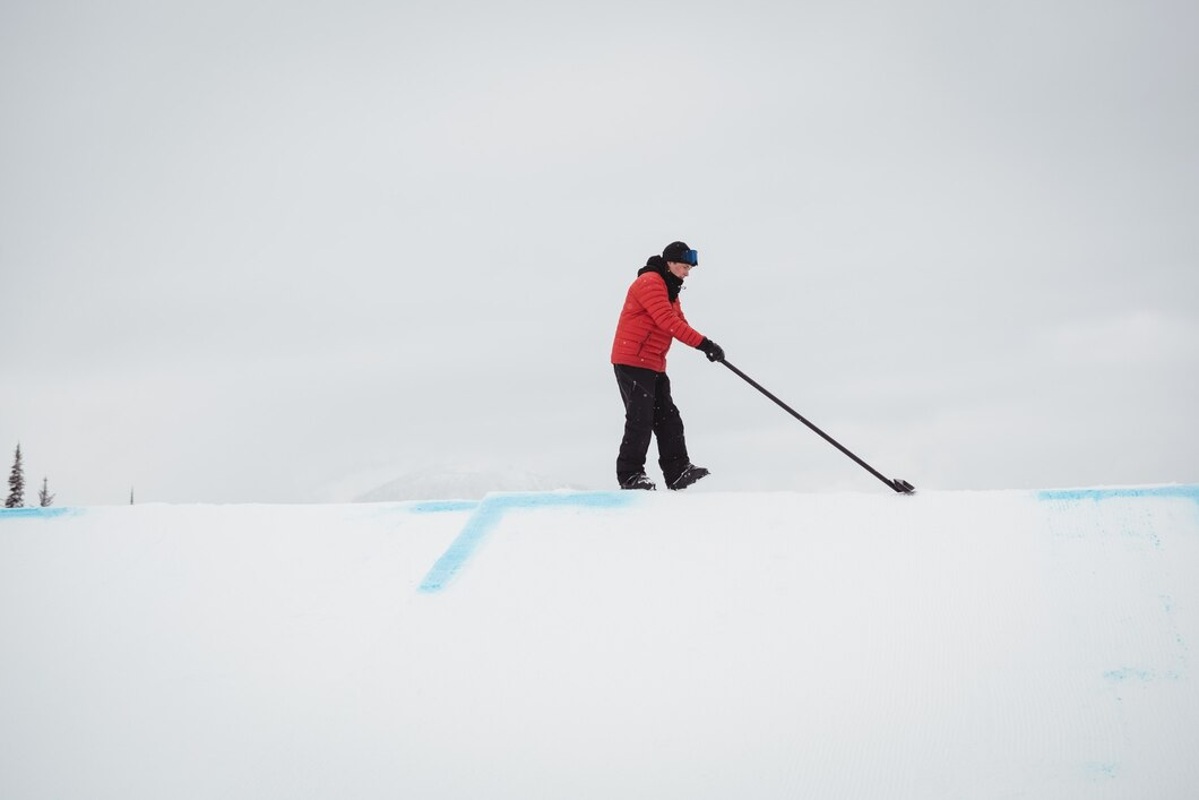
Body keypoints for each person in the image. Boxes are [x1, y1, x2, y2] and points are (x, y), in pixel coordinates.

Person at [610, 240, 725, 491]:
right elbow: (667, 322)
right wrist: (704, 344)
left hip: (653, 363)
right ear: (670, 263)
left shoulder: (669, 288)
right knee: (640, 418)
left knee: (668, 417)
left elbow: (679, 321)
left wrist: (708, 347)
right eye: (684, 267)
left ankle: (677, 471)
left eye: (688, 269)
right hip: (632, 360)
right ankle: (630, 475)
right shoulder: (650, 282)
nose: (686, 273)